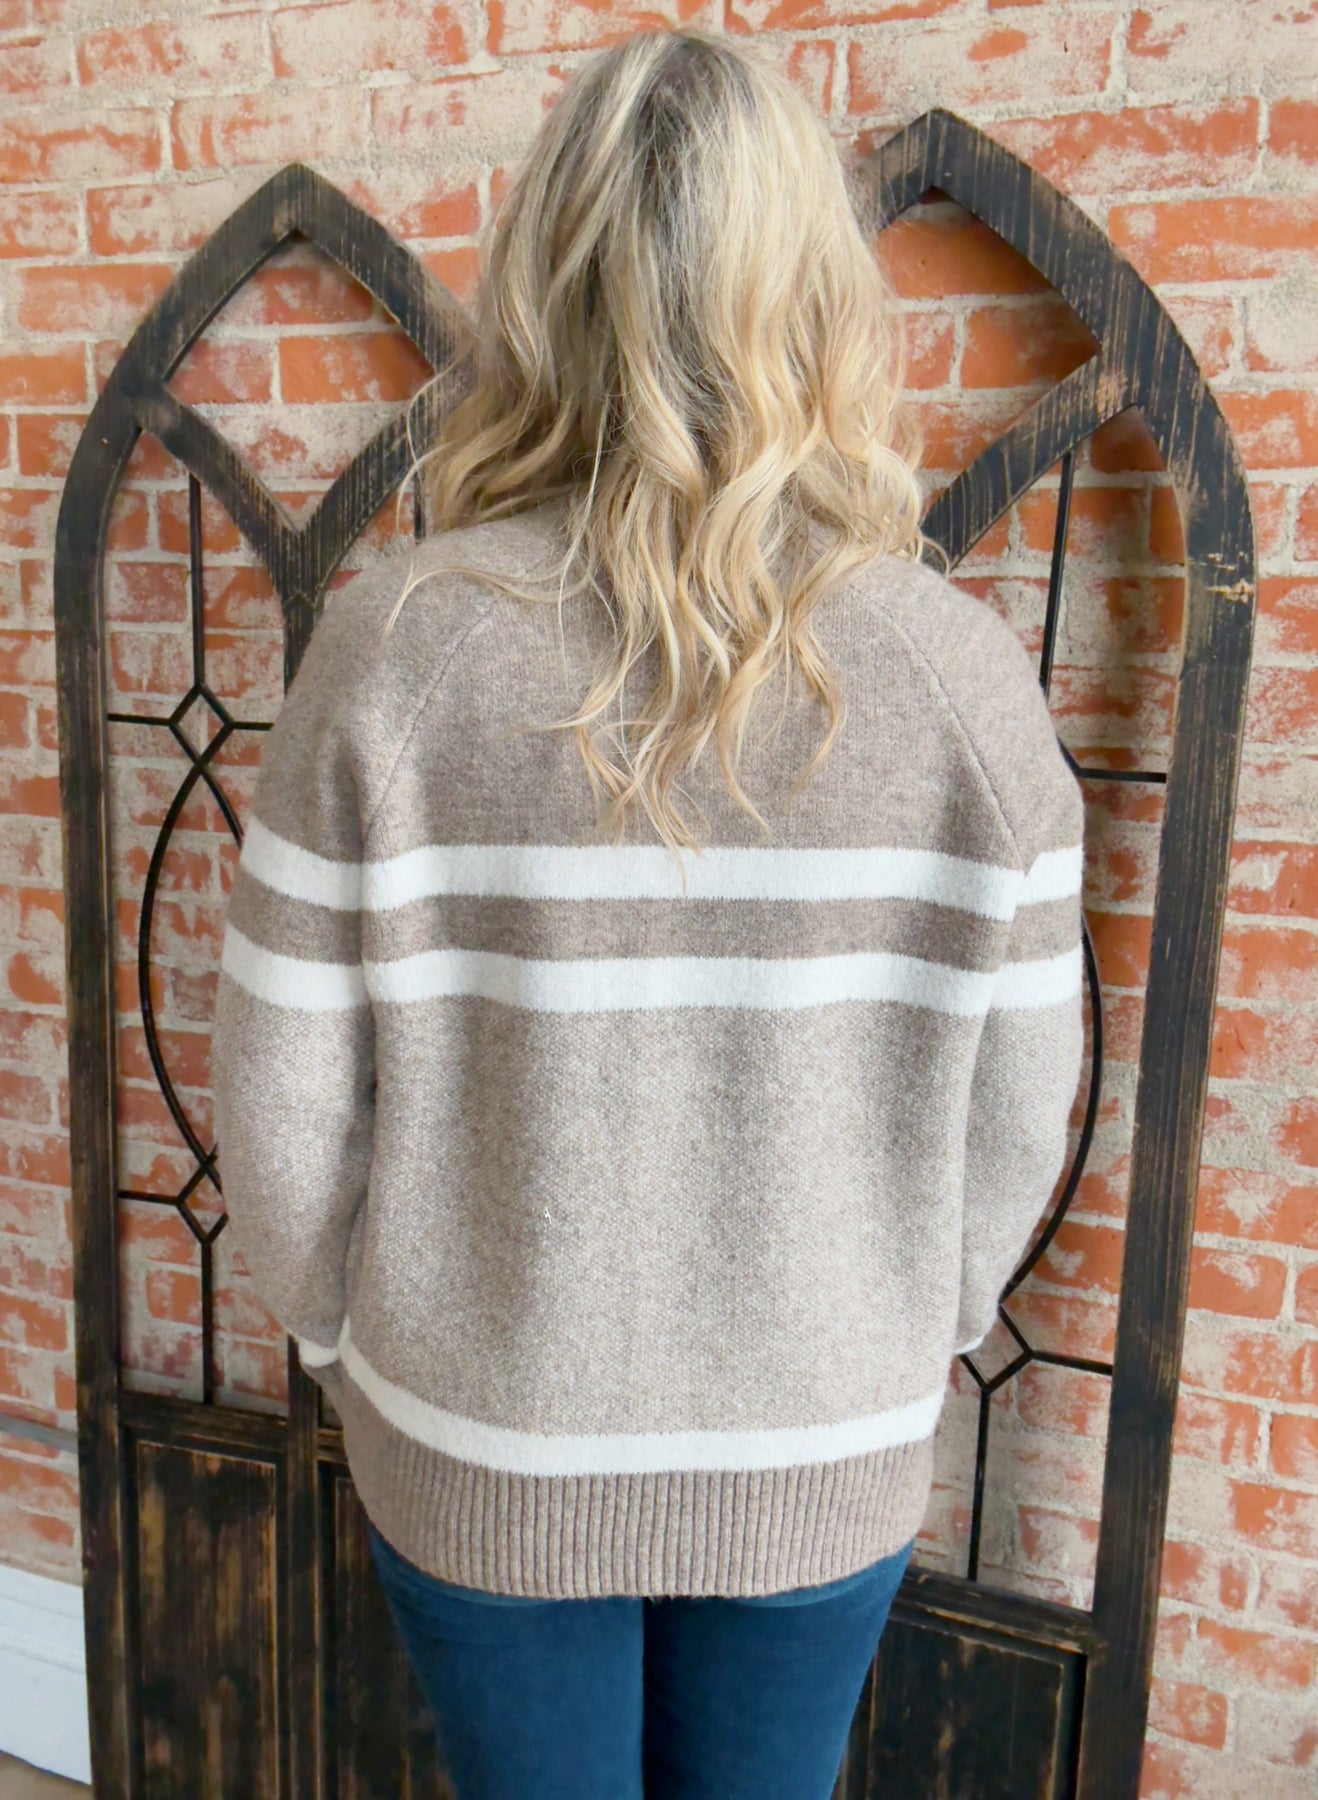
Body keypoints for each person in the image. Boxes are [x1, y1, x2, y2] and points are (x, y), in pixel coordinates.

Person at [210, 24, 1086, 1800]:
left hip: (479, 1430)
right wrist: (902, 1333)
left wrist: (345, 1340)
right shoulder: (961, 678)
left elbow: (281, 1113)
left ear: (544, 287)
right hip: (824, 1436)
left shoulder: (395, 650)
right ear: (817, 299)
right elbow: (1018, 1122)